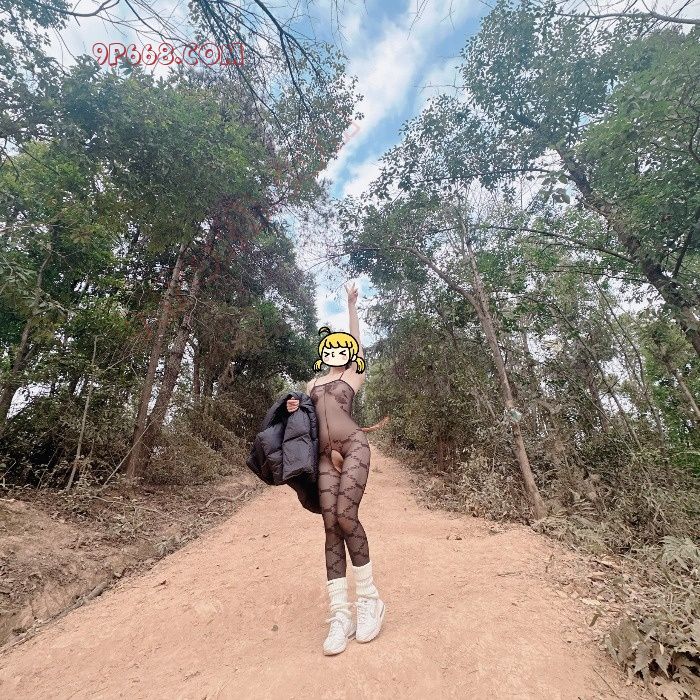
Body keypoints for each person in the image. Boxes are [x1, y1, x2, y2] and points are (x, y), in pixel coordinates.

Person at [286, 282, 386, 655]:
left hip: (353, 446)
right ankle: (341, 615)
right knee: (330, 526)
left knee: (346, 515)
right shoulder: (313, 382)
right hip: (325, 457)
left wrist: (351, 305)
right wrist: (294, 407)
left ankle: (369, 601)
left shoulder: (352, 374)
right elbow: (306, 420)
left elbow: (357, 343)